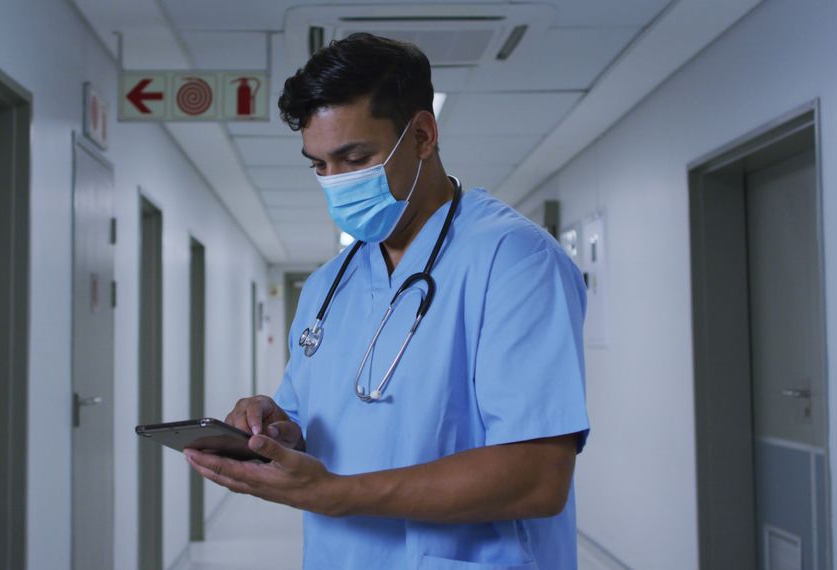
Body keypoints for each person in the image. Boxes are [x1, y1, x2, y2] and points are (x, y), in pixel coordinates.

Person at [184, 32, 590, 569]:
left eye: (354, 157)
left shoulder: (514, 260)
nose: (335, 182)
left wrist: (337, 493)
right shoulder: (329, 283)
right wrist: (275, 424)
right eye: (319, 165)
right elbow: (311, 417)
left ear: (422, 135)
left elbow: (538, 478)